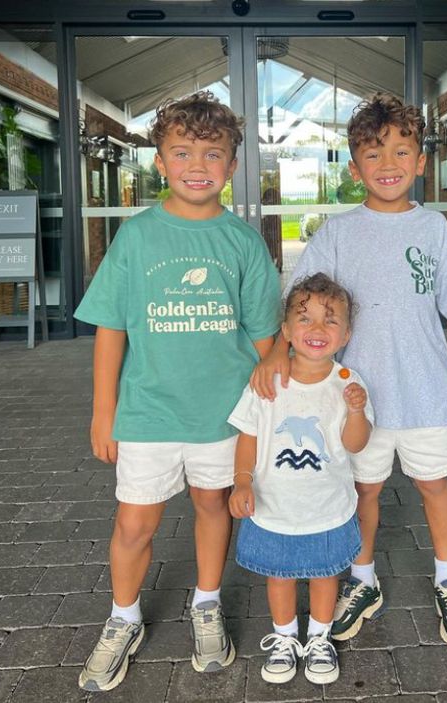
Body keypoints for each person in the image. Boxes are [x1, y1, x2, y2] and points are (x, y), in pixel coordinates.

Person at [251, 92, 447, 647]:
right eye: (373, 153)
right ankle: (362, 581)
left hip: (426, 392)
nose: (387, 165)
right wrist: (276, 353)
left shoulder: (433, 228)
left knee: (433, 484)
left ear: (420, 162)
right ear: (353, 164)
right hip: (354, 398)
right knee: (363, 491)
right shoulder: (339, 231)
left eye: (400, 152)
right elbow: (299, 297)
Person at [74, 91, 281, 692]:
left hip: (224, 415)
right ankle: (123, 618)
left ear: (232, 165)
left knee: (213, 506)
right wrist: (103, 410)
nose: (198, 164)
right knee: (134, 522)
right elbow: (112, 329)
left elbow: (266, 339)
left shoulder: (242, 244)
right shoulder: (137, 238)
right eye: (182, 152)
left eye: (213, 153)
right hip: (146, 412)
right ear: (160, 162)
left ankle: (207, 603)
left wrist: (276, 410)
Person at [228, 273, 372, 684]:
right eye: (304, 319)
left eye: (330, 320)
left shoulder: (348, 383)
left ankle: (321, 637)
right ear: (287, 330)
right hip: (274, 503)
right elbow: (249, 434)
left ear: (345, 335)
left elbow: (356, 444)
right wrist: (241, 480)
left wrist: (358, 411)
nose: (317, 329)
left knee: (326, 573)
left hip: (328, 505)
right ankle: (285, 636)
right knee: (280, 574)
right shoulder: (266, 381)